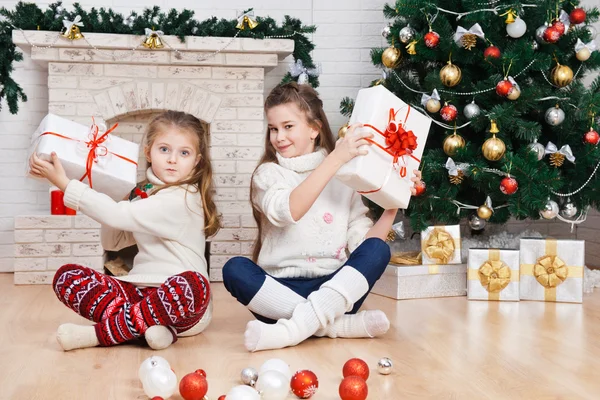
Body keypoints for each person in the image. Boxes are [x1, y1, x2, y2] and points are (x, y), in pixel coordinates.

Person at [222, 82, 422, 352]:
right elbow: (289, 210)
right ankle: (338, 326)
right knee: (234, 270)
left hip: (335, 286)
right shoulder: (268, 174)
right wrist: (335, 160)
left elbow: (363, 244)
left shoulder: (344, 177)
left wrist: (394, 201)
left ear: (314, 129)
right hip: (279, 290)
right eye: (273, 128)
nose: (279, 137)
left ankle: (294, 328)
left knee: (378, 250)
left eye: (288, 126)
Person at [29, 110, 220, 351]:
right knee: (67, 277)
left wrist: (65, 184)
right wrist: (115, 194)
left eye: (184, 153)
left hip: (182, 305)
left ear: (197, 160)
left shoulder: (183, 198)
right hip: (140, 293)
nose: (173, 159)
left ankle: (100, 335)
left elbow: (118, 215)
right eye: (164, 149)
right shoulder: (146, 194)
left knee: (194, 284)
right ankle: (151, 328)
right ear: (148, 152)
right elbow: (113, 242)